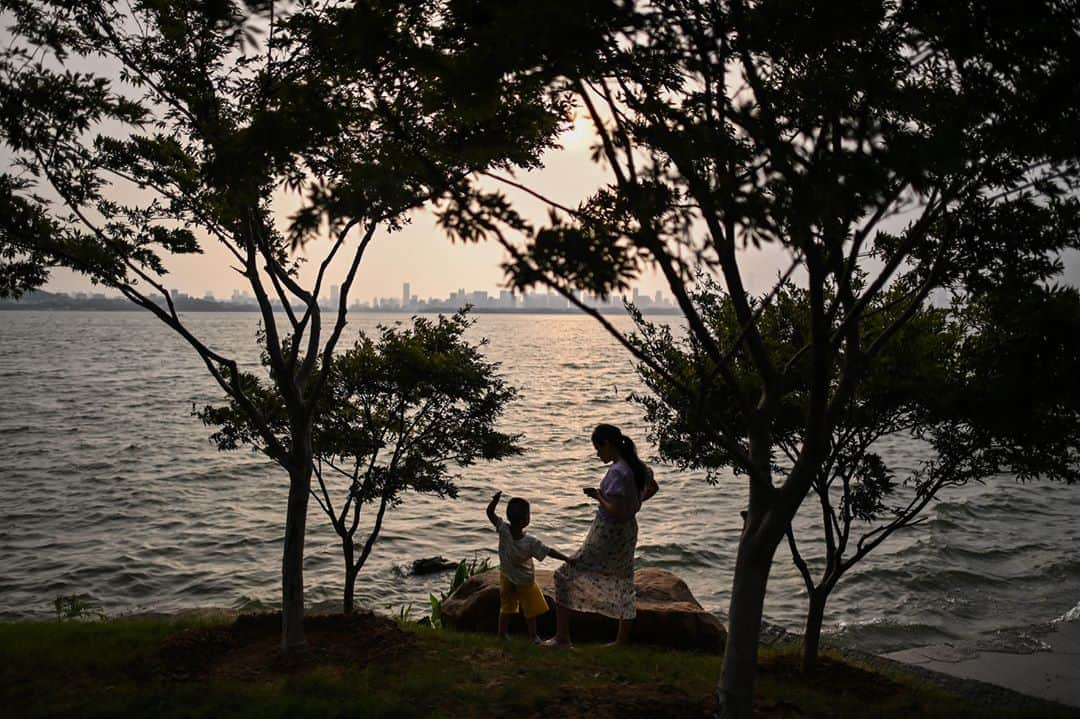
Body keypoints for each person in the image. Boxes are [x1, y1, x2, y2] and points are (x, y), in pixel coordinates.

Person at [544, 424, 659, 647]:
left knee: (565, 574)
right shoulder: (637, 466)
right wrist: (635, 504)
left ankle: (562, 637)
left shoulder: (617, 471)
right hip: (628, 531)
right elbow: (653, 487)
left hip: (608, 531)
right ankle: (621, 641)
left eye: (598, 448)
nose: (597, 453)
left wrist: (598, 496)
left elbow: (613, 509)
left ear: (607, 444)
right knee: (624, 578)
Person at [486, 491, 573, 643]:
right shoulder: (530, 543)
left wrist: (495, 501)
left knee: (506, 608)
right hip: (525, 581)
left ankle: (502, 634)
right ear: (526, 520)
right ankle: (533, 636)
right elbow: (548, 551)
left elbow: (490, 513)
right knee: (530, 610)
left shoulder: (503, 530)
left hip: (506, 576)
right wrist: (566, 558)